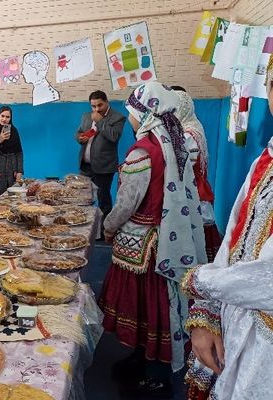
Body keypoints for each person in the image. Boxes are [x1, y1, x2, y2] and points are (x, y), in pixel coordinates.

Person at [99, 82, 206, 398]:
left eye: (132, 112)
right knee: (159, 308)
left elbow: (126, 203)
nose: (130, 118)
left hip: (142, 247)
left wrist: (107, 226)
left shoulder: (141, 153)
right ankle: (144, 359)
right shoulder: (176, 144)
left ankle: (154, 372)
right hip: (170, 242)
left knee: (145, 308)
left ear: (144, 114)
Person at [181, 75, 273, 400]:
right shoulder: (267, 160)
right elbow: (233, 242)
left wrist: (199, 282)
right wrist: (208, 312)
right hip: (236, 324)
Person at [173, 88, 222, 262]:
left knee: (194, 240)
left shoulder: (187, 134)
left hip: (193, 193)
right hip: (195, 189)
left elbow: (181, 166)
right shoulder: (194, 126)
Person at [76, 90, 126, 237]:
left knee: (103, 200)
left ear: (106, 102)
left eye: (100, 105)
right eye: (93, 106)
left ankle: (105, 234)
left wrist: (100, 121)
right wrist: (80, 138)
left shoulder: (118, 117)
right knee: (82, 200)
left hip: (104, 167)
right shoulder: (86, 116)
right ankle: (83, 232)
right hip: (85, 166)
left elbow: (114, 136)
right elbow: (77, 132)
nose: (96, 109)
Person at [0, 106, 24, 205]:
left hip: (11, 173)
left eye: (7, 117)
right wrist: (0, 140)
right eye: (2, 116)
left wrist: (19, 171)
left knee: (11, 201)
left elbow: (19, 152)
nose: (4, 119)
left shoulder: (14, 131)